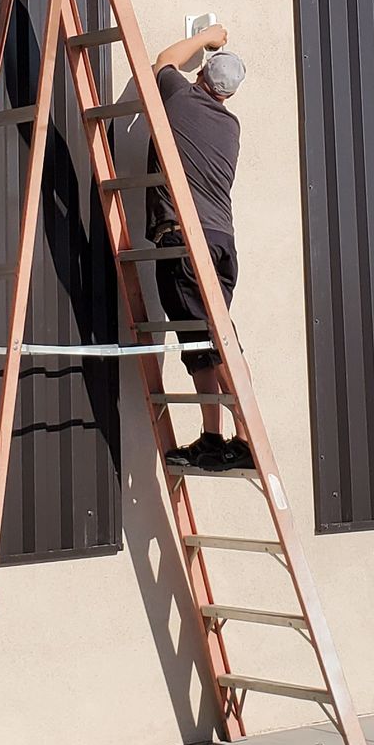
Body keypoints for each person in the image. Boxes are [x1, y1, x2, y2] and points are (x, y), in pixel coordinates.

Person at [147, 23, 250, 471]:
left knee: (213, 345)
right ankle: (213, 438)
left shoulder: (180, 98)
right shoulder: (230, 126)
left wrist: (206, 34)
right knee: (202, 344)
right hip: (220, 245)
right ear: (228, 96)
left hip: (186, 244)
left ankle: (244, 438)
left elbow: (163, 60)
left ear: (203, 75)